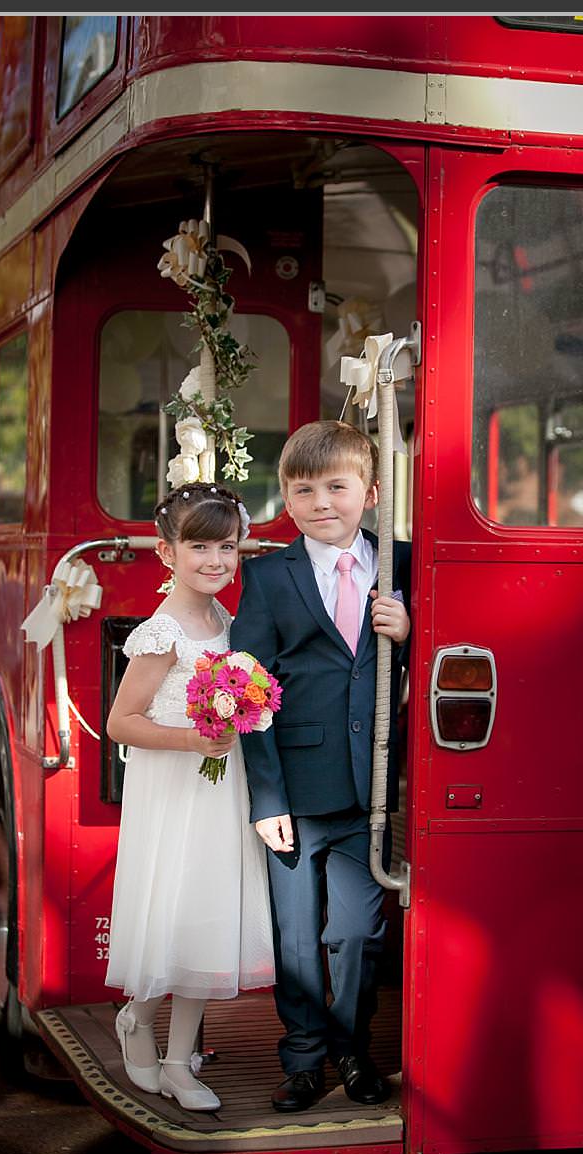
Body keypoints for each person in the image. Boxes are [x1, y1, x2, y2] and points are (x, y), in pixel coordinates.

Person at [232, 420, 411, 1113]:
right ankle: (303, 1060)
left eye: (335, 486)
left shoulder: (400, 561)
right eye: (303, 490)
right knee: (299, 936)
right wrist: (266, 797)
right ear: (286, 496)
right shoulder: (267, 576)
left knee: (357, 933)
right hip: (295, 794)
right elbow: (247, 688)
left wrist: (410, 627)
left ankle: (351, 1050)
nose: (320, 502)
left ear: (368, 493)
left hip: (368, 788)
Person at [104, 482, 279, 1113]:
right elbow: (121, 722)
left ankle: (180, 1062)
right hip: (177, 790)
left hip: (220, 792)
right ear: (165, 553)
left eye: (227, 546)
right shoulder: (162, 632)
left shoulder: (226, 621)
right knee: (175, 912)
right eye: (199, 545)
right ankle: (136, 1017)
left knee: (208, 914)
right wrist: (192, 738)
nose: (215, 560)